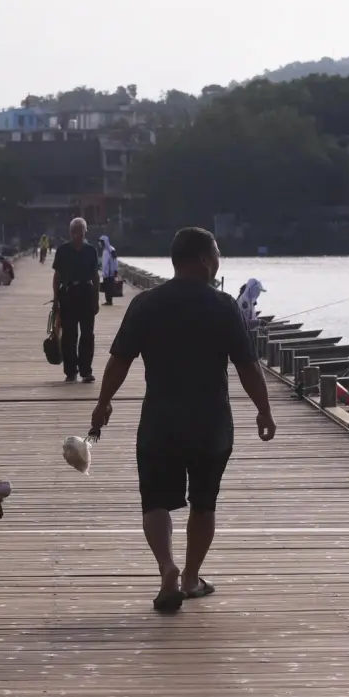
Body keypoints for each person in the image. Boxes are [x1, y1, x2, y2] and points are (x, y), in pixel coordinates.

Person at [90, 227, 277, 612]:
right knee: (204, 504)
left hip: (160, 421)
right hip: (211, 424)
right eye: (218, 254)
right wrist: (264, 409)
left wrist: (103, 402)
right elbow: (248, 367)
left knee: (155, 503)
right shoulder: (224, 306)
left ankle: (167, 570)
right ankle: (191, 577)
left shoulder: (146, 305)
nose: (219, 260)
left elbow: (119, 360)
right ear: (205, 260)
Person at [51, 217, 100, 383]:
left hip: (87, 293)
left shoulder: (91, 250)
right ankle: (71, 371)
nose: (77, 234)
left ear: (85, 232)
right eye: (74, 231)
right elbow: (57, 276)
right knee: (69, 336)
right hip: (68, 294)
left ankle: (86, 371)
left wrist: (96, 298)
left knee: (87, 334)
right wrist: (56, 299)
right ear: (70, 232)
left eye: (80, 230)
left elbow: (95, 276)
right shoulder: (63, 250)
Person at [98, 235, 120, 306]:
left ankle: (109, 301)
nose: (99, 244)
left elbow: (115, 261)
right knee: (106, 288)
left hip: (110, 273)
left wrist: (115, 270)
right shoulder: (104, 251)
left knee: (109, 287)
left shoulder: (111, 250)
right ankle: (107, 300)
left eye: (101, 242)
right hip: (105, 273)